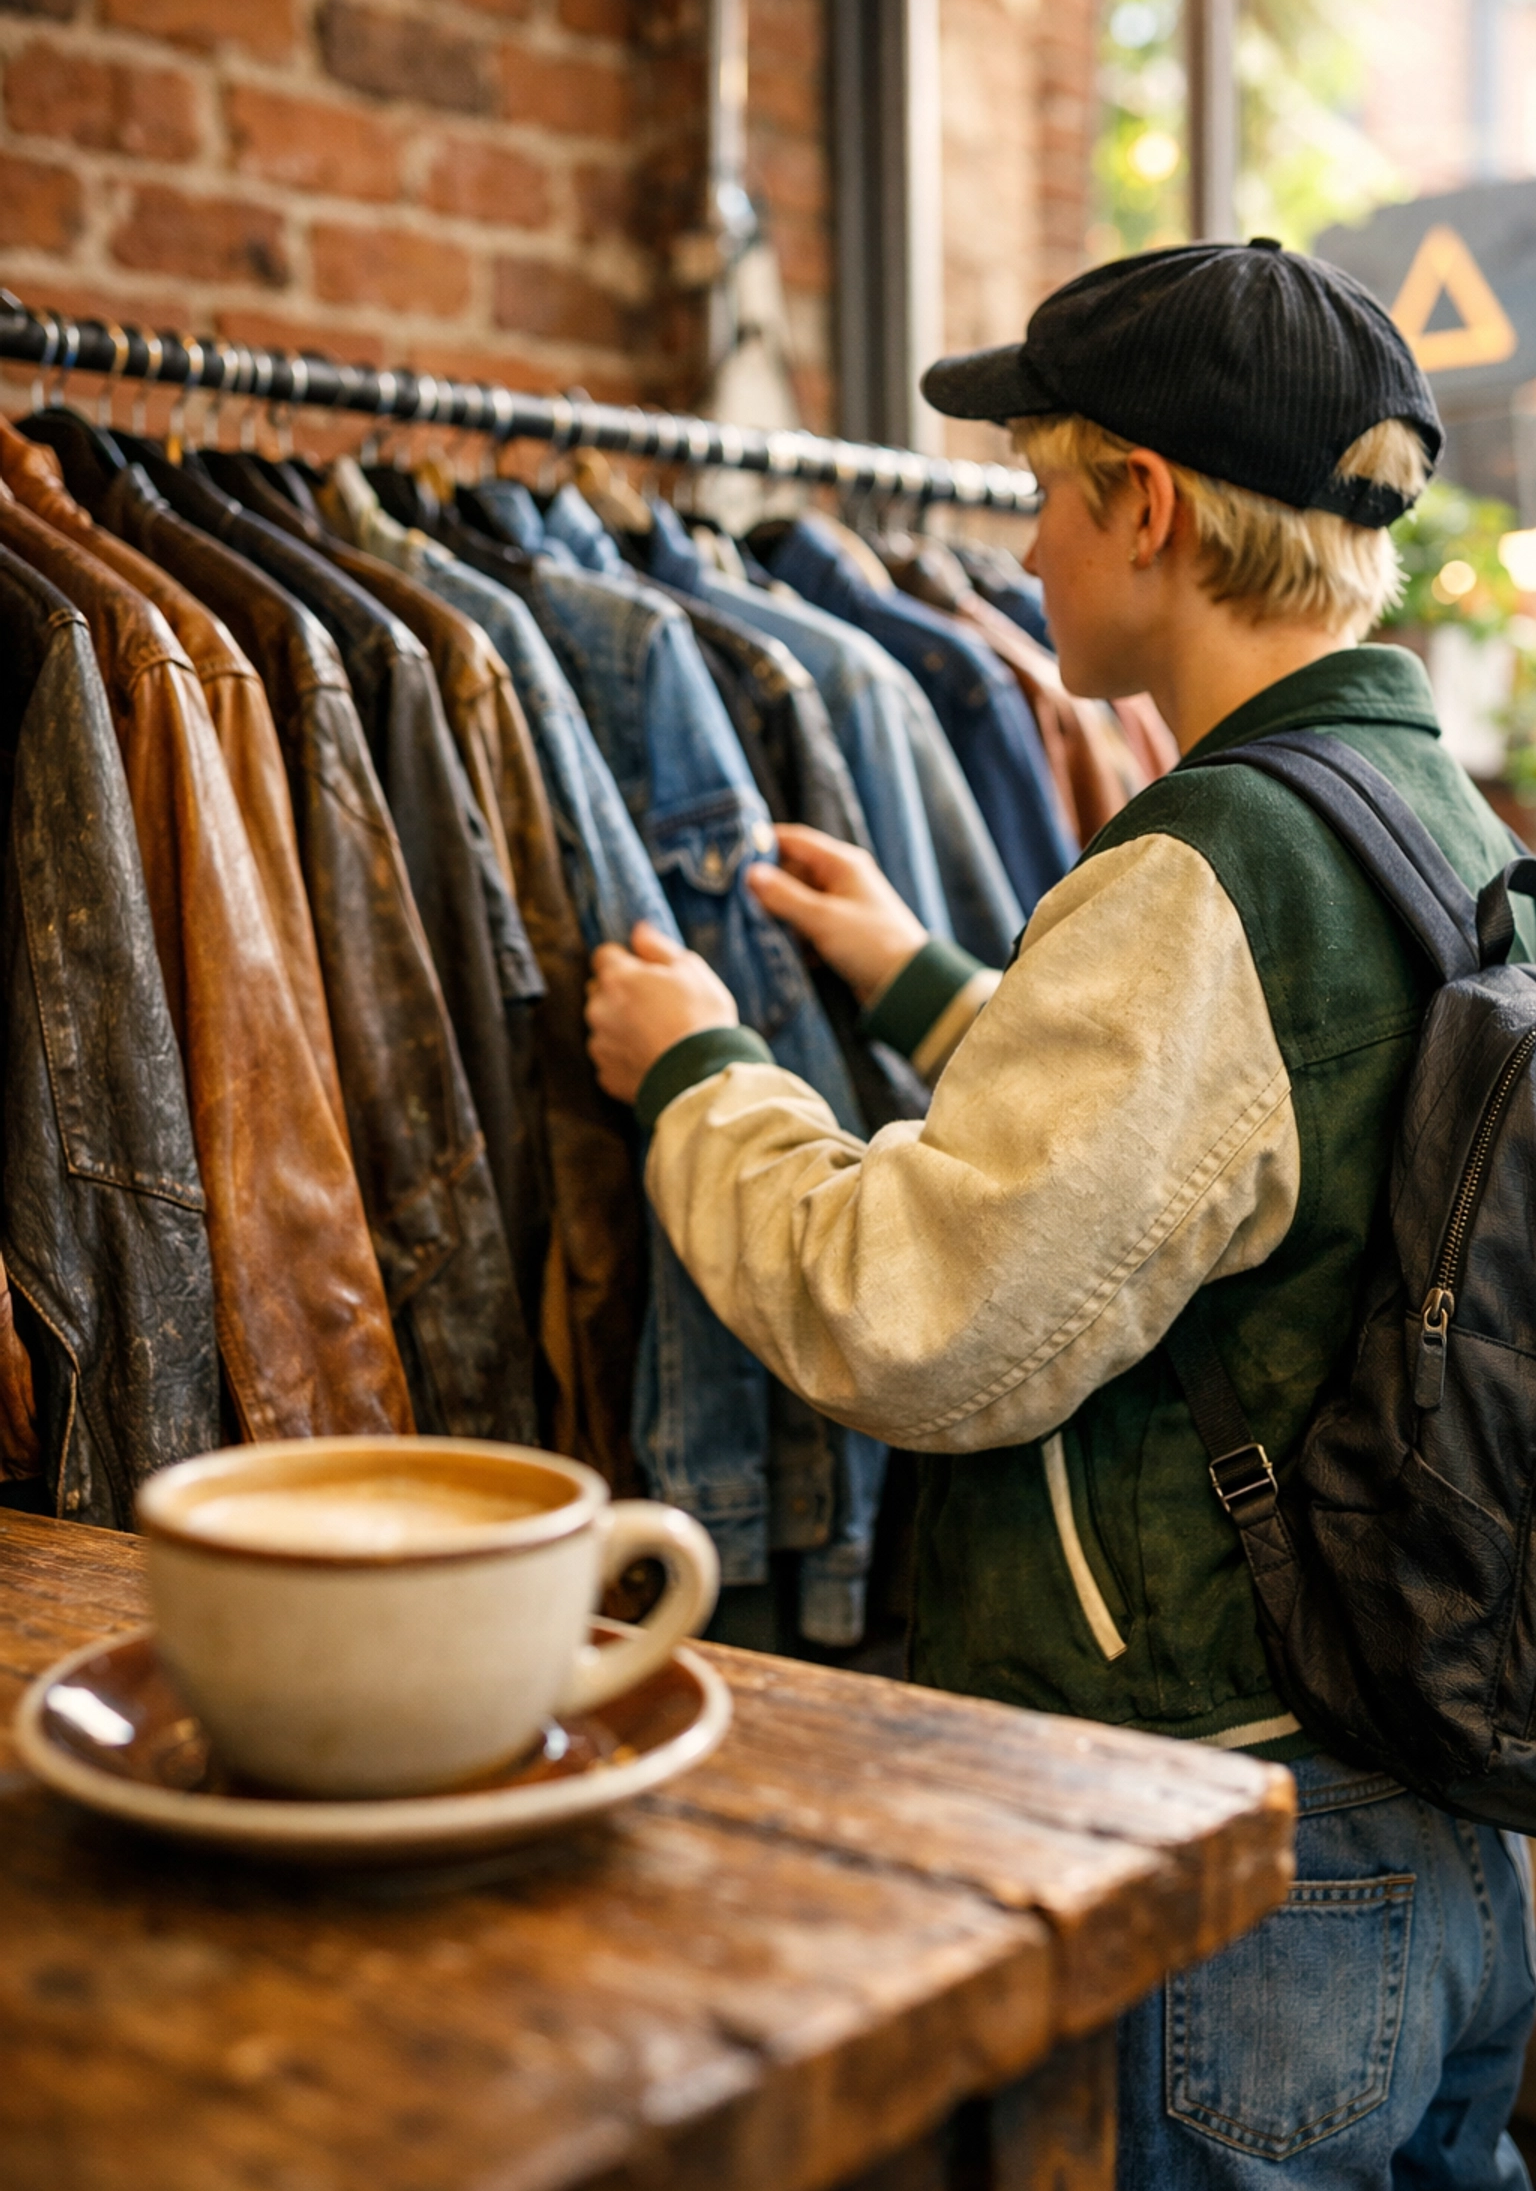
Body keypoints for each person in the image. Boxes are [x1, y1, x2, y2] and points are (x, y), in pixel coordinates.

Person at [585, 241, 1536, 2188]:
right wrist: (929, 980)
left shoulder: (1203, 871)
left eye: (1039, 495)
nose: (1021, 554)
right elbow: (1264, 1149)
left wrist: (696, 1070)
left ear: (1150, 507)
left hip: (1236, 1847)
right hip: (1445, 1827)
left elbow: (917, 1314)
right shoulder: (1438, 819)